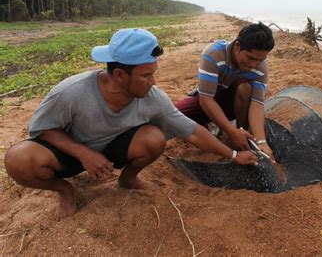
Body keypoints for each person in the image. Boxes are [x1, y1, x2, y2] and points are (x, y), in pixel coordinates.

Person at [4, 28, 258, 220]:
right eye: (147, 75)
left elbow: (190, 130)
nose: (154, 82)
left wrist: (233, 154)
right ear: (120, 75)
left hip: (113, 149)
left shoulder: (152, 97)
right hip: (70, 153)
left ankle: (127, 178)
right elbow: (41, 129)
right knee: (18, 159)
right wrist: (84, 153)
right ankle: (65, 191)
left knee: (155, 137)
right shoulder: (71, 92)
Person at [175, 22, 275, 161]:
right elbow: (206, 99)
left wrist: (261, 142)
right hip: (209, 98)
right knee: (175, 115)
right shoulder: (214, 54)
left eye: (260, 60)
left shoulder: (260, 67)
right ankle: (223, 127)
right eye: (250, 58)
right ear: (237, 46)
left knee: (244, 87)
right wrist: (230, 131)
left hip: (234, 104)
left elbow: (257, 105)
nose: (254, 65)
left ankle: (242, 133)